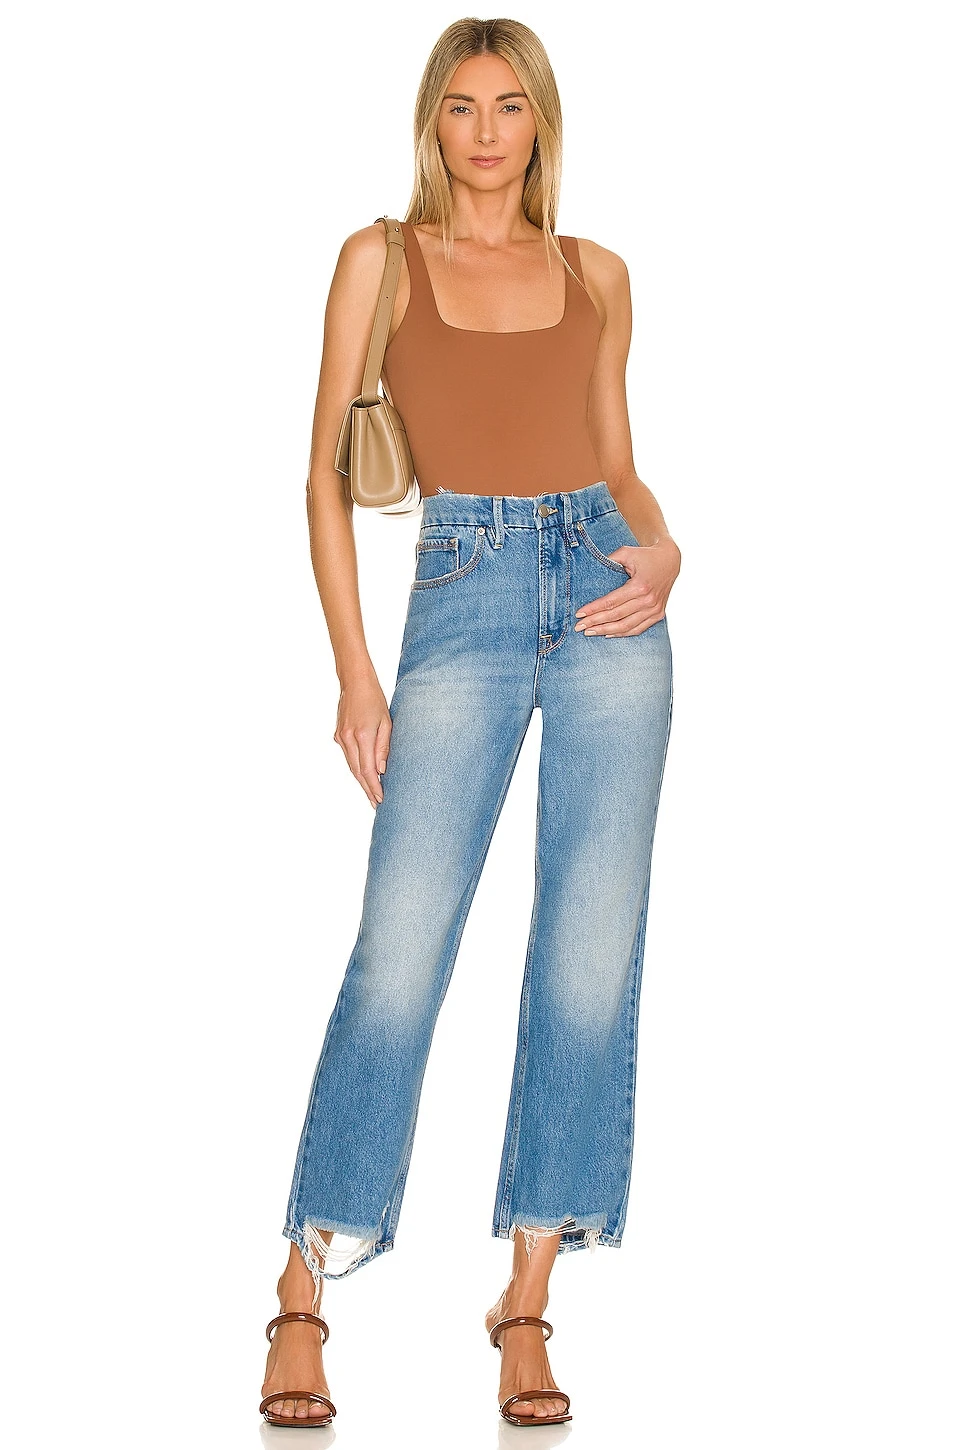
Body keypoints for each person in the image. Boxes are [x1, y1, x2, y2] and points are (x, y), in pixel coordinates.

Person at [260, 16, 681, 1430]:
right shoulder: (380, 259)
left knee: (589, 954)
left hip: (611, 593)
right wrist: (354, 672)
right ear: (431, 122)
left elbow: (617, 459)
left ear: (540, 121)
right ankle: (304, 1285)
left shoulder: (597, 273)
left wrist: (665, 548)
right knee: (400, 951)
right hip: (463, 587)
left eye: (510, 105)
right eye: (462, 105)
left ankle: (527, 1301)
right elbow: (323, 475)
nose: (487, 131)